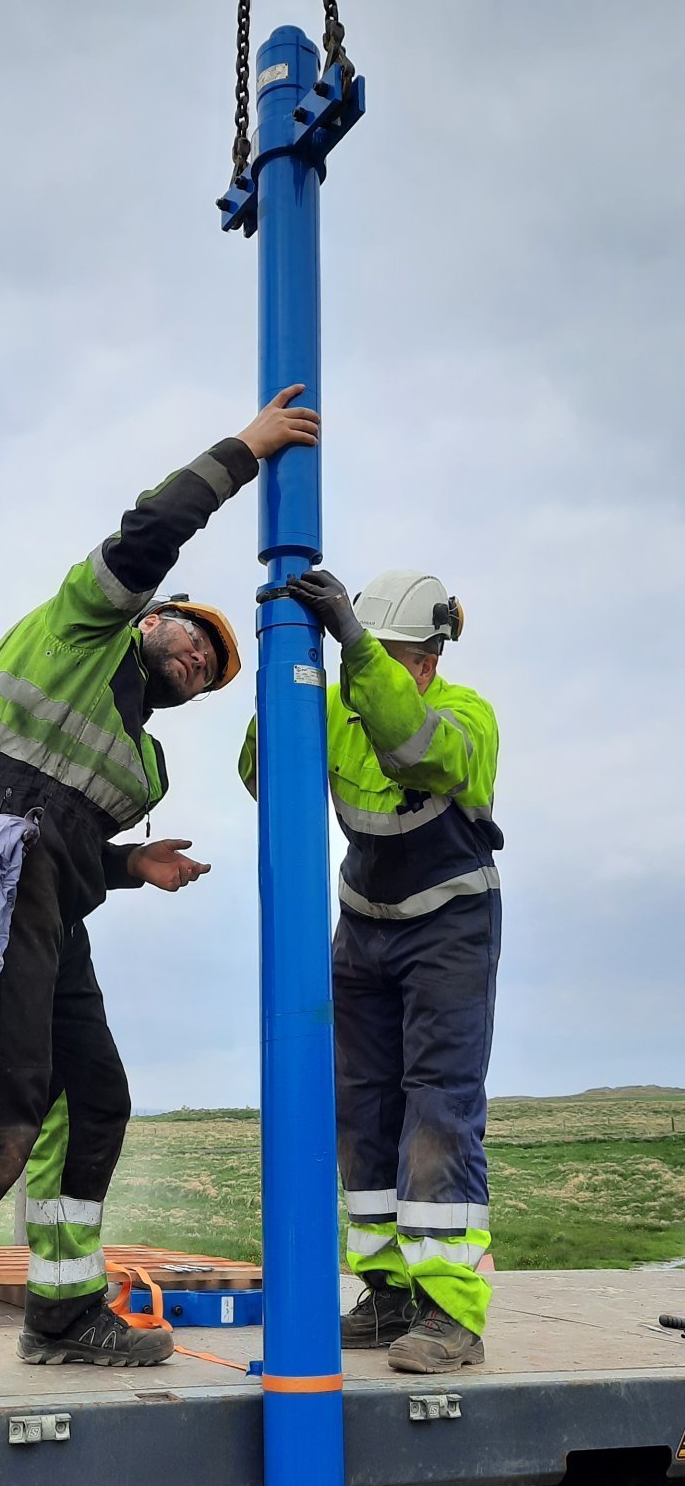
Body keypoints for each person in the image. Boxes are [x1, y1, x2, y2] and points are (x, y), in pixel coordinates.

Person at [0, 386, 319, 1406]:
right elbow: (151, 530)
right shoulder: (81, 631)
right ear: (152, 616)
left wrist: (130, 866)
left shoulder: (144, 767)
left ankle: (63, 1314)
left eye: (210, 670)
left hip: (47, 902)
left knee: (91, 1097)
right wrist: (247, 449)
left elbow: (69, 851)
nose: (198, 658)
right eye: (192, 636)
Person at [240, 565, 502, 1373]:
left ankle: (450, 1312)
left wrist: (352, 643)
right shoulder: (332, 708)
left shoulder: (466, 715)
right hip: (363, 927)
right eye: (377, 652)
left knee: (438, 1107)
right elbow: (262, 776)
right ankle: (387, 1294)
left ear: (430, 661)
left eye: (400, 656)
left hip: (450, 926)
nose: (387, 668)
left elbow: (415, 749)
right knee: (361, 1110)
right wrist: (284, 672)